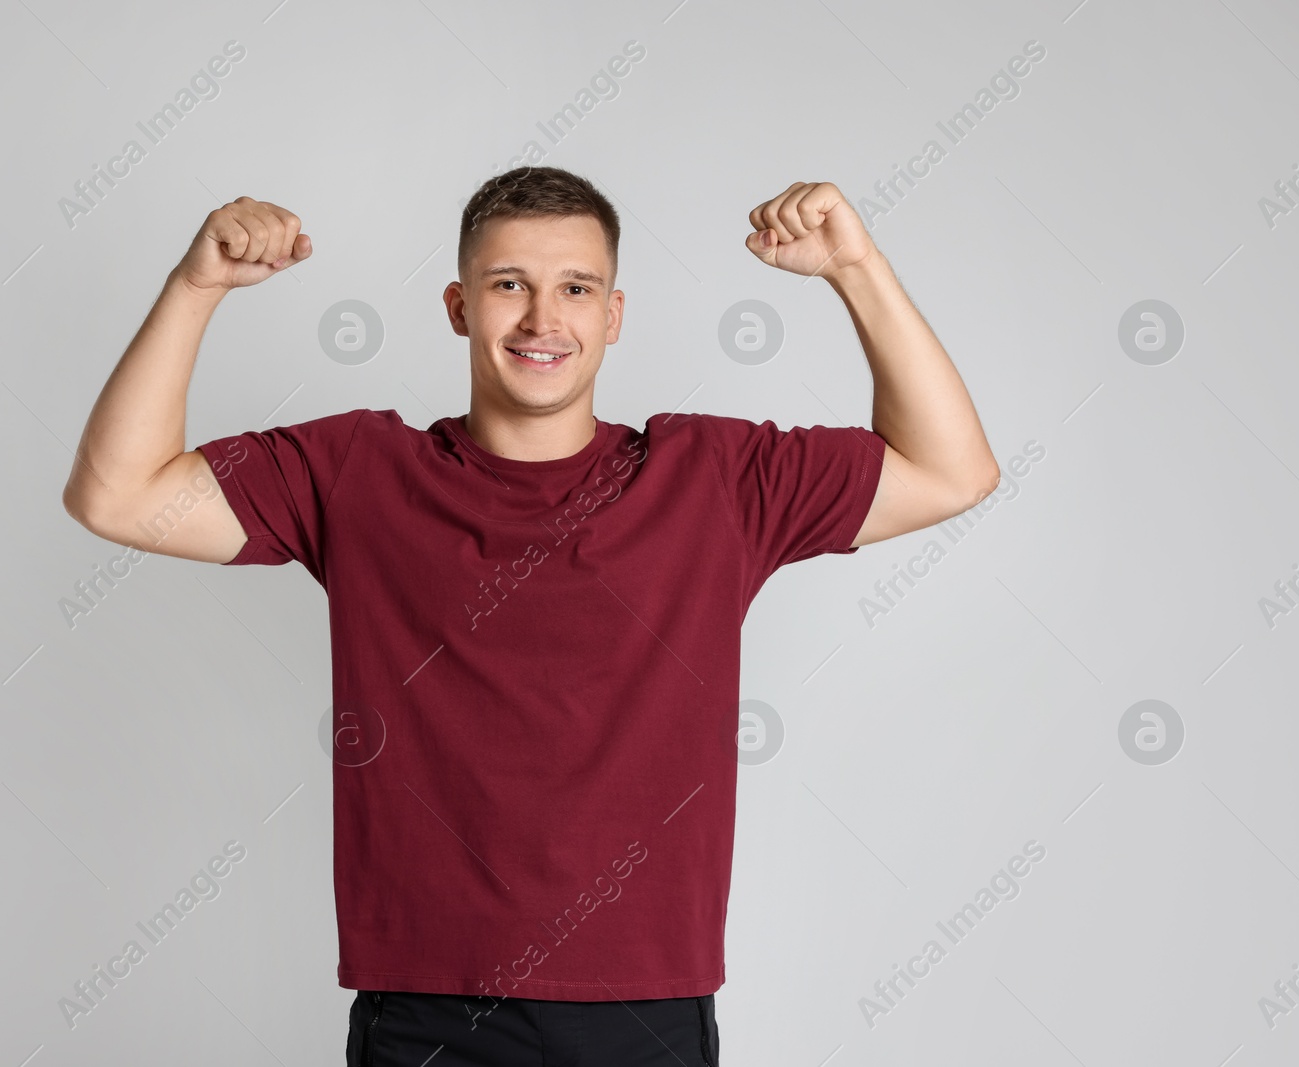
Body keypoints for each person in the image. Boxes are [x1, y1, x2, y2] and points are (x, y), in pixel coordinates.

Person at [62, 166, 1000, 1066]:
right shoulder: (359, 473)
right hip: (426, 1006)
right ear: (460, 308)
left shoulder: (713, 481)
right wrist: (196, 287)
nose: (544, 318)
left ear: (614, 315)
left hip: (648, 1009)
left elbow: (951, 470)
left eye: (578, 287)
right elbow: (119, 495)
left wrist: (855, 268)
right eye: (510, 284)